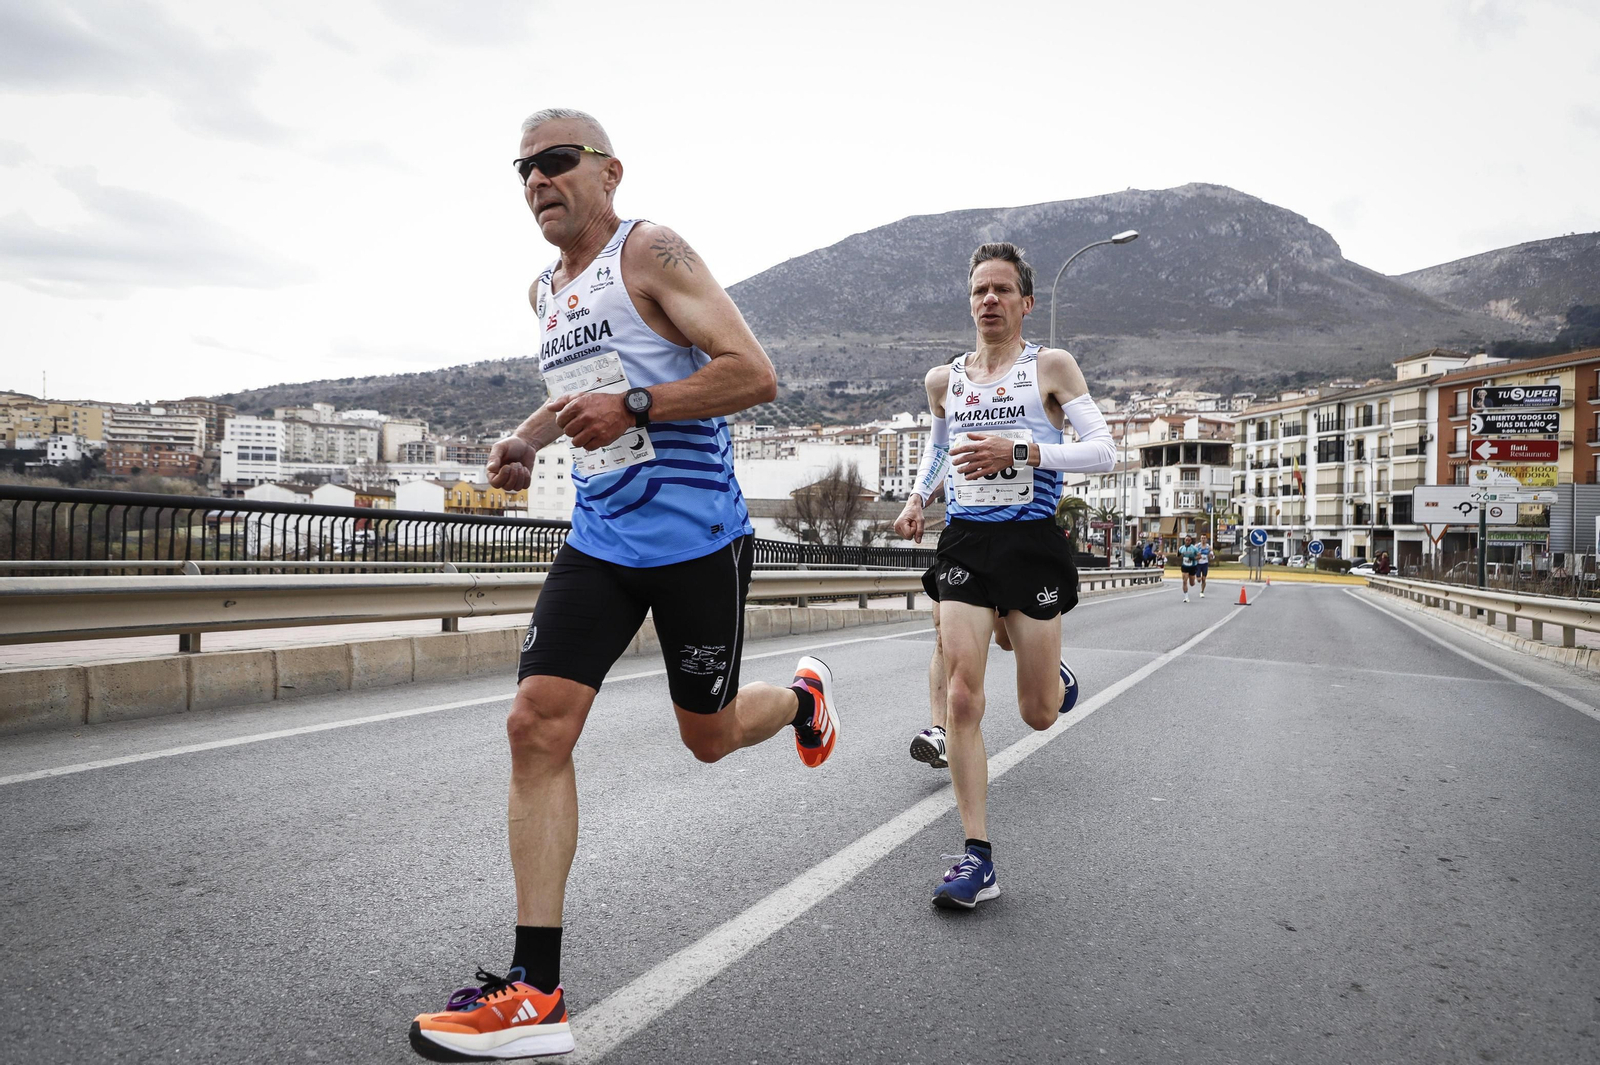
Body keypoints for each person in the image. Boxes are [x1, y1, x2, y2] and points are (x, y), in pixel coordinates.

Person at [408, 108, 842, 1062]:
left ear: (609, 171)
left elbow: (754, 374)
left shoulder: (651, 250)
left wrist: (639, 402)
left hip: (697, 543)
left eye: (556, 162)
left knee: (710, 737)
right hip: (600, 541)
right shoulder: (545, 291)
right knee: (535, 723)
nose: (536, 181)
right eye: (521, 169)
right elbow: (580, 397)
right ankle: (536, 991)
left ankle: (802, 698)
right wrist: (529, 436)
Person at [898, 241, 1113, 910]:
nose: (988, 300)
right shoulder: (946, 381)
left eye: (1001, 290)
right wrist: (916, 497)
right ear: (970, 302)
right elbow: (937, 452)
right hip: (965, 541)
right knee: (962, 696)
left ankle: (1051, 675)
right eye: (978, 291)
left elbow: (1102, 452)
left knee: (1037, 713)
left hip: (1030, 543)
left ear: (1026, 302)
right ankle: (976, 857)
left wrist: (1019, 449)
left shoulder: (1048, 366)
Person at [894, 482, 1019, 770]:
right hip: (961, 539)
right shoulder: (952, 435)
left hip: (1015, 536)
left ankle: (1045, 655)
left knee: (1007, 637)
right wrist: (917, 499)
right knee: (943, 636)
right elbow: (943, 458)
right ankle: (941, 731)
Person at [1178, 534, 1199, 603]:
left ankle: (1193, 580)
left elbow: (1200, 556)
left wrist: (1194, 558)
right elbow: (1178, 554)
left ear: (1191, 541)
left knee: (1192, 584)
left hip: (1192, 566)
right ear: (1184, 540)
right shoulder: (1181, 548)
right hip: (1184, 566)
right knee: (1184, 581)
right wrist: (1178, 555)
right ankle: (1186, 597)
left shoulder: (1194, 548)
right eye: (1186, 540)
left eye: (1189, 540)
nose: (1187, 541)